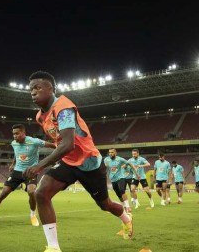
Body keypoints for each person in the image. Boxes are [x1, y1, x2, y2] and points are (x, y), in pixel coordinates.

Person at [23, 71, 133, 252]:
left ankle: (127, 219)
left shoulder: (64, 107)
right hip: (68, 162)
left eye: (37, 88)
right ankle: (53, 247)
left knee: (105, 205)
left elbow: (67, 144)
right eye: (31, 89)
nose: (33, 92)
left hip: (88, 162)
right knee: (41, 193)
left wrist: (39, 166)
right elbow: (59, 141)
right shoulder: (39, 116)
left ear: (51, 89)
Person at [0, 124, 56, 227]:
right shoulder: (14, 143)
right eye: (13, 134)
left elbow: (53, 146)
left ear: (24, 133)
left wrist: (59, 149)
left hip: (30, 171)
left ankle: (33, 215)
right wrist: (13, 163)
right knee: (3, 193)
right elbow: (17, 153)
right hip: (17, 171)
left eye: (17, 133)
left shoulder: (34, 141)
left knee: (32, 191)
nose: (15, 136)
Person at [104, 148, 138, 213]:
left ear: (115, 153)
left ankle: (128, 207)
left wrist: (136, 174)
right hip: (113, 179)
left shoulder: (120, 159)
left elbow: (129, 163)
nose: (110, 154)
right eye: (109, 152)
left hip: (121, 177)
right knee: (118, 194)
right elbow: (106, 167)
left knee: (122, 190)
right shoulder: (106, 159)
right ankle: (124, 206)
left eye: (112, 152)